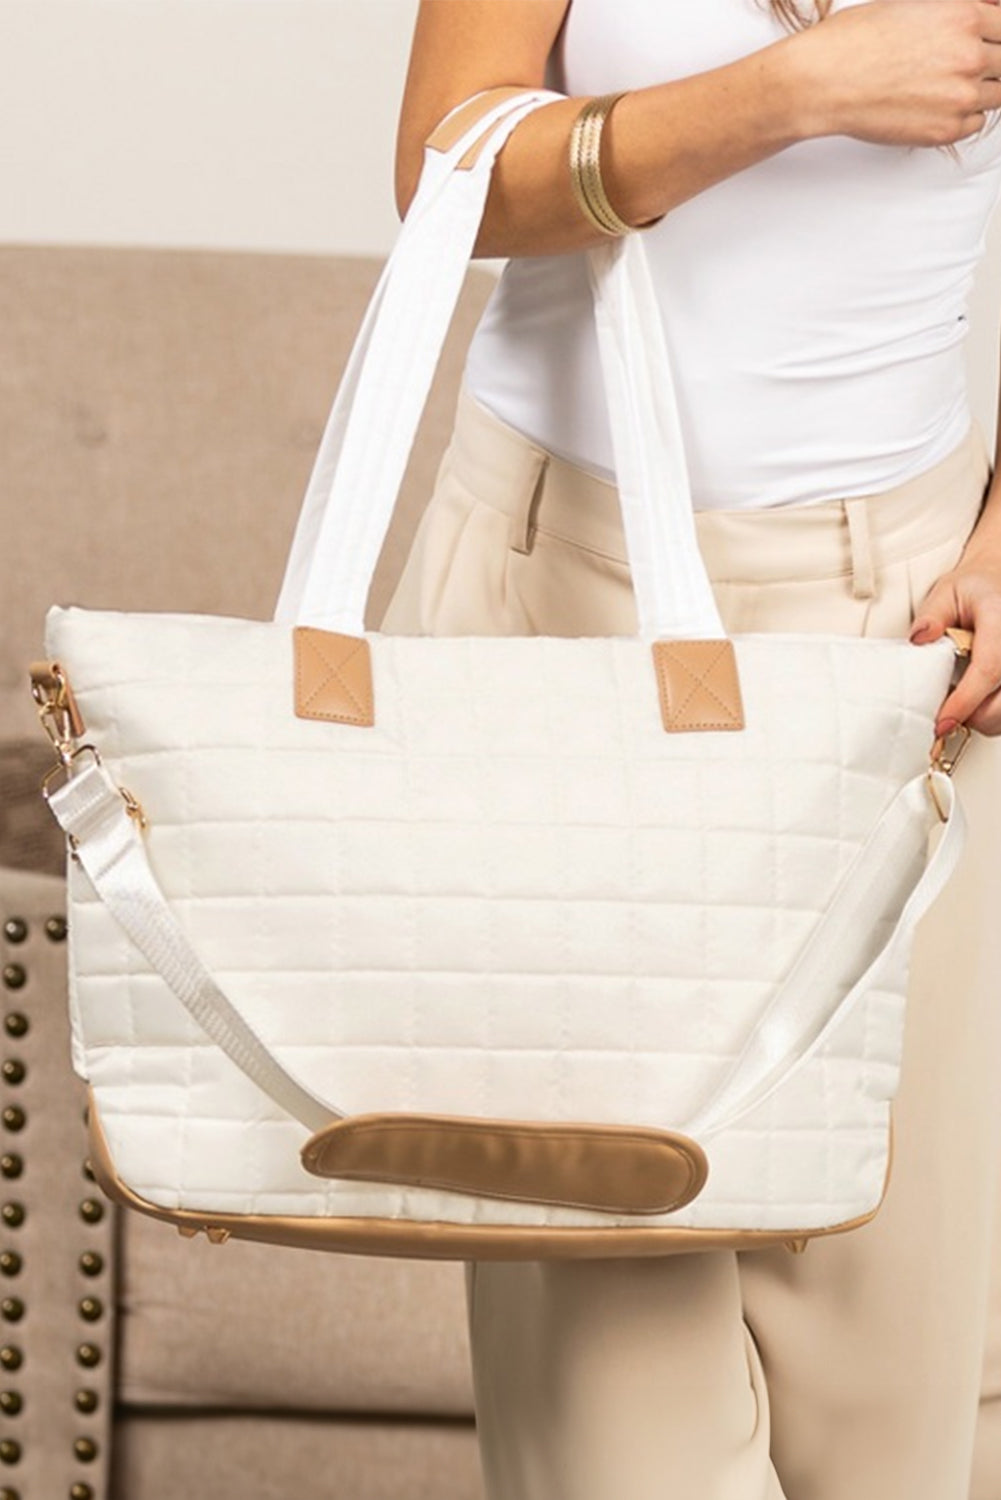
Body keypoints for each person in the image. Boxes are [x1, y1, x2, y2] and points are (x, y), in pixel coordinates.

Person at [381, 4, 1001, 1497]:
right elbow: (444, 167)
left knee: (885, 1421)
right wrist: (792, 91)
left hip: (904, 633)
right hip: (561, 610)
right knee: (620, 1424)